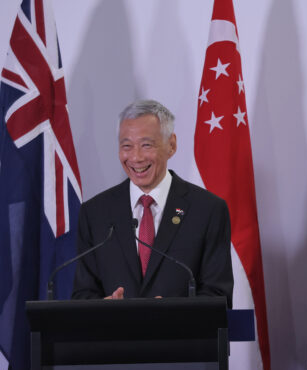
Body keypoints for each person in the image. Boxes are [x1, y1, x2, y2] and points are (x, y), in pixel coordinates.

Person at [72, 99, 233, 305]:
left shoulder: (208, 210)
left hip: (181, 337)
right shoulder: (95, 213)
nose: (136, 157)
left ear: (171, 145)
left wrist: (171, 314)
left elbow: (219, 296)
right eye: (127, 146)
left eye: (146, 145)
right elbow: (83, 294)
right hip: (115, 336)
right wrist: (104, 305)